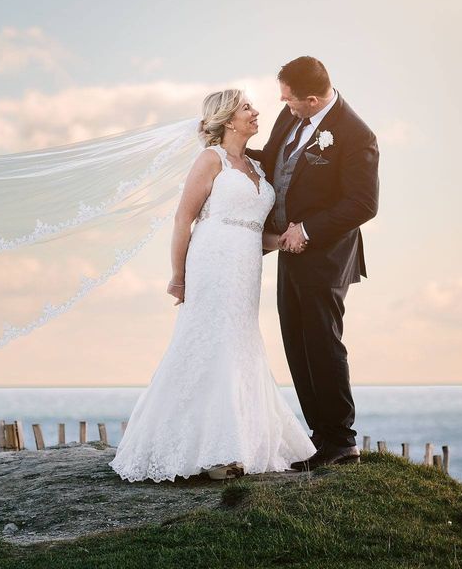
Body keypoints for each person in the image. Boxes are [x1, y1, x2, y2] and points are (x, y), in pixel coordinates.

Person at [108, 89, 316, 482]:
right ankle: (216, 453)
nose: (256, 112)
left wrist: (287, 238)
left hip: (246, 268)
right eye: (247, 108)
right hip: (211, 262)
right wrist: (178, 275)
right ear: (227, 120)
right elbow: (183, 220)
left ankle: (240, 442)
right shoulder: (210, 160)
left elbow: (256, 232)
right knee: (210, 340)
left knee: (240, 342)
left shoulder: (257, 168)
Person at [246, 56, 379, 471]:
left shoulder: (356, 134)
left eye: (289, 99)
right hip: (290, 251)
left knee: (322, 341)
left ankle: (342, 441)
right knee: (296, 341)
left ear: (311, 97)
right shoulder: (290, 121)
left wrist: (308, 229)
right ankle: (320, 436)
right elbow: (272, 162)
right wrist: (227, 148)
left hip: (326, 254)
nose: (283, 106)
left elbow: (363, 203)